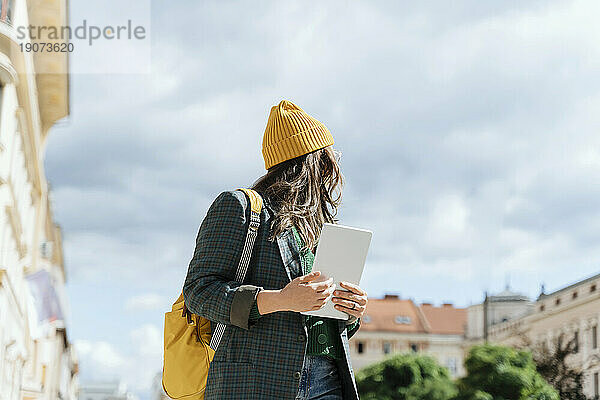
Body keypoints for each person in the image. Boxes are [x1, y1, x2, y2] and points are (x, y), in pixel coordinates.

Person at [183, 100, 368, 400]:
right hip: (256, 383)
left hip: (327, 382)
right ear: (312, 162)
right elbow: (198, 292)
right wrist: (281, 299)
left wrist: (350, 311)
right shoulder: (240, 207)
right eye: (328, 158)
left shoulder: (321, 226)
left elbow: (327, 323)